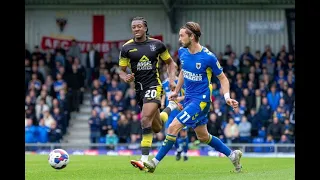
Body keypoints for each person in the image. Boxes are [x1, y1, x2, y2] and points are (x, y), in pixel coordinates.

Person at [143, 21, 242, 173]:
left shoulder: (208, 57)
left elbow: (223, 78)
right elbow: (183, 71)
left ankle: (154, 162)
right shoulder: (182, 52)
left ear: (192, 36)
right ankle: (233, 155)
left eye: (182, 36)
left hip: (201, 101)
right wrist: (176, 90)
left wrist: (227, 97)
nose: (179, 39)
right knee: (203, 137)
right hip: (189, 98)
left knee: (173, 126)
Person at [118, 16, 176, 170]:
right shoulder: (126, 48)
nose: (136, 29)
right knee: (156, 127)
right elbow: (121, 71)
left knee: (144, 120)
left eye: (139, 26)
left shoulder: (157, 45)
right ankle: (171, 106)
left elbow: (170, 63)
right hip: (139, 90)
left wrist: (171, 79)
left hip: (154, 86)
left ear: (145, 28)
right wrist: (125, 77)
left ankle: (144, 160)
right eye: (133, 27)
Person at [160, 69, 189, 161]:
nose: (170, 70)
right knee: (170, 132)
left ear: (176, 70)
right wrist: (161, 103)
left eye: (172, 68)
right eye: (168, 69)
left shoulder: (180, 81)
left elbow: (186, 95)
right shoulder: (164, 83)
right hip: (170, 111)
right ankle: (179, 148)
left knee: (183, 133)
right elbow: (164, 94)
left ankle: (185, 152)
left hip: (180, 109)